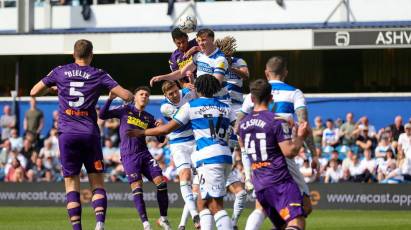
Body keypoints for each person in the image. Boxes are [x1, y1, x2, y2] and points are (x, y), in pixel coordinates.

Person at [30, 39, 133, 230]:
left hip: (67, 133)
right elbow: (126, 96)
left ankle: (77, 228)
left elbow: (34, 91)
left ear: (73, 54)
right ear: (91, 55)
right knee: (96, 181)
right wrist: (127, 95)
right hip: (89, 133)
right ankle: (100, 224)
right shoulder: (98, 74)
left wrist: (57, 88)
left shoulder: (60, 71)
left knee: (71, 184)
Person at [127, 74, 235, 230]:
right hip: (224, 155)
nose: (174, 95)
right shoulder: (225, 106)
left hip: (207, 155)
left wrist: (142, 133)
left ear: (198, 89)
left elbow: (168, 128)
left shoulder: (191, 105)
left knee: (215, 205)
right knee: (202, 201)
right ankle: (192, 219)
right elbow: (238, 126)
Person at [236, 56, 314, 230]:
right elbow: (303, 126)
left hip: (258, 169)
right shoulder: (293, 95)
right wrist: (312, 152)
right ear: (285, 72)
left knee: (262, 207)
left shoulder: (249, 101)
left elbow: (237, 127)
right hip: (280, 163)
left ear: (266, 72)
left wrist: (244, 158)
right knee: (302, 211)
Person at [99, 86, 171, 230]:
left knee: (162, 183)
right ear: (136, 97)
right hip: (129, 155)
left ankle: (163, 218)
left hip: (144, 154)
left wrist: (161, 128)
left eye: (147, 95)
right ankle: (146, 224)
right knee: (137, 188)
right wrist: (110, 99)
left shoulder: (149, 117)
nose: (144, 96)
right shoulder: (125, 109)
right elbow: (102, 115)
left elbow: (161, 139)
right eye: (141, 94)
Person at [158, 80, 200, 230]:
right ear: (165, 95)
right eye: (170, 94)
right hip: (179, 144)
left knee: (198, 184)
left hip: (196, 141)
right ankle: (195, 214)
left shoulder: (187, 93)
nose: (175, 95)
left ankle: (182, 224)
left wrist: (193, 87)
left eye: (176, 91)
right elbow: (185, 118)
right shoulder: (165, 107)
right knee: (185, 175)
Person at [150, 28, 230, 103]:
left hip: (219, 101)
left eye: (203, 40)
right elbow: (181, 73)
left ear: (212, 40)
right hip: (202, 99)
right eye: (198, 41)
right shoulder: (199, 56)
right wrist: (162, 77)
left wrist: (194, 82)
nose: (201, 43)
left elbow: (215, 84)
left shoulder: (220, 59)